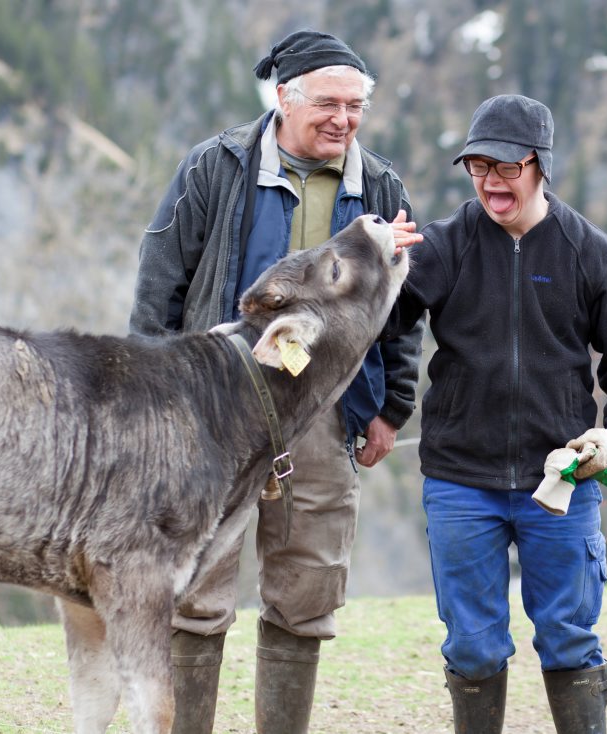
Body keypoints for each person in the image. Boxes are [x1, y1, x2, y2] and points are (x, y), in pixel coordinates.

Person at [129, 29, 423, 734]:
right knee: (196, 587)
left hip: (323, 415)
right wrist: (148, 401)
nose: (343, 121)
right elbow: (161, 281)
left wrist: (391, 407)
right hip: (210, 414)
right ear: (284, 97)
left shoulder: (379, 186)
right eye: (328, 104)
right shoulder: (217, 166)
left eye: (356, 107)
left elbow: (402, 309)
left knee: (308, 586)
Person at [383, 94, 607, 733]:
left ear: (540, 166)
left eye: (506, 166)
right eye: (478, 166)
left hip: (562, 482)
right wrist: (379, 264)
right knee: (472, 646)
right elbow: (382, 323)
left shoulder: (589, 251)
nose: (489, 180)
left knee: (568, 637)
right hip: (458, 481)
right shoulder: (445, 245)